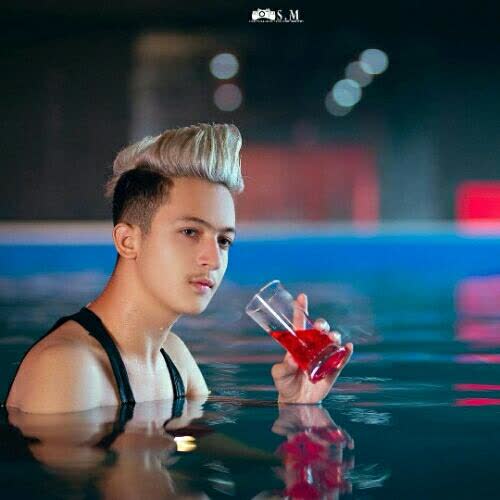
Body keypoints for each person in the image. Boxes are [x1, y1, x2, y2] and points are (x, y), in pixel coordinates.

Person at [5, 123, 353, 414]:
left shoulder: (173, 357)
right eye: (190, 232)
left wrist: (296, 408)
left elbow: (205, 446)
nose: (213, 260)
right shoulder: (68, 368)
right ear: (128, 241)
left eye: (224, 241)